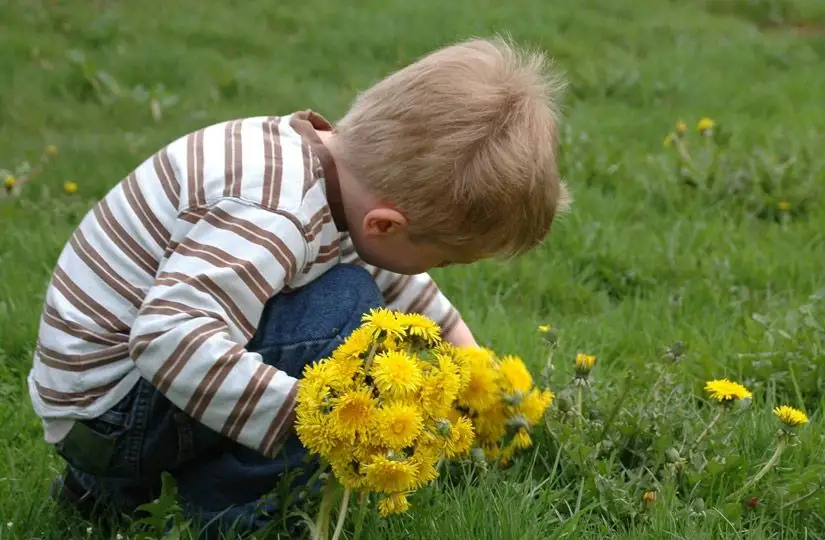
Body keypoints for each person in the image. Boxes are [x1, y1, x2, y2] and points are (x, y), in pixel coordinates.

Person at [29, 35, 570, 537]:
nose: (439, 268)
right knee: (347, 310)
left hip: (95, 400)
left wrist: (477, 369)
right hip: (113, 410)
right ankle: (239, 516)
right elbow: (168, 339)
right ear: (386, 224)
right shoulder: (274, 215)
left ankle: (109, 494)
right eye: (447, 258)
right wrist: (319, 415)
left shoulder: (324, 167)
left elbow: (395, 273)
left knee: (346, 289)